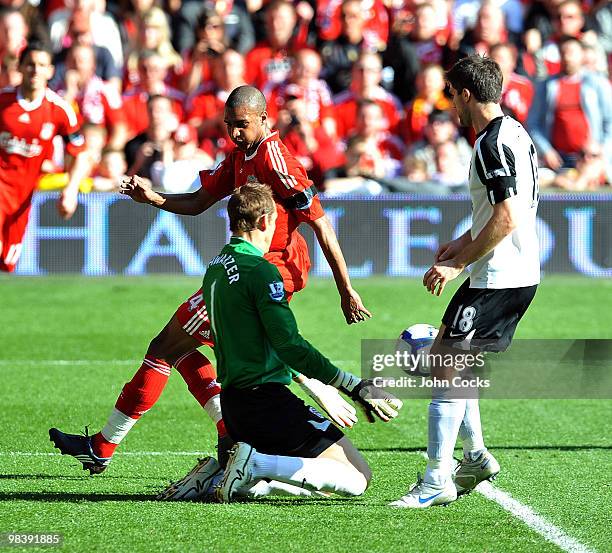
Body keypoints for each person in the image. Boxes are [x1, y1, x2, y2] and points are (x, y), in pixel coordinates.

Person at [49, 85, 371, 474]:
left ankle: (104, 447)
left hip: (263, 273)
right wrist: (155, 199)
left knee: (166, 346)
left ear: (264, 120)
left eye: (243, 125)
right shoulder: (240, 156)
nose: (235, 133)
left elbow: (320, 224)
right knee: (183, 350)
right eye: (230, 125)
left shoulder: (278, 161)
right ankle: (226, 433)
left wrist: (346, 289)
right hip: (242, 270)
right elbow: (201, 200)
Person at [160, 183, 402, 502]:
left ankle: (223, 474)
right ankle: (252, 464)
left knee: (313, 480)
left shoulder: (216, 268)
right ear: (264, 222)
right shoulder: (261, 272)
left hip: (234, 403)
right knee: (357, 479)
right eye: (275, 221)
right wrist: (354, 386)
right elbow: (290, 346)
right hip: (267, 404)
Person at [391, 54, 540, 508]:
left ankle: (438, 479)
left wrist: (458, 265)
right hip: (513, 271)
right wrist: (462, 242)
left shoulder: (489, 144)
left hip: (498, 276)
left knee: (442, 368)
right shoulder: (516, 131)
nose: (450, 104)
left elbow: (508, 216)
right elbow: (503, 210)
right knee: (449, 362)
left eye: (451, 94)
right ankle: (473, 456)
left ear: (467, 94)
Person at [0, 41, 91, 272]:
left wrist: (71, 190)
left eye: (42, 65)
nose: (35, 70)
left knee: (7, 263)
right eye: (30, 64)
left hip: (22, 198)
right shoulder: (3, 102)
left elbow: (80, 154)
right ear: (19, 67)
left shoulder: (60, 110)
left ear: (50, 70)